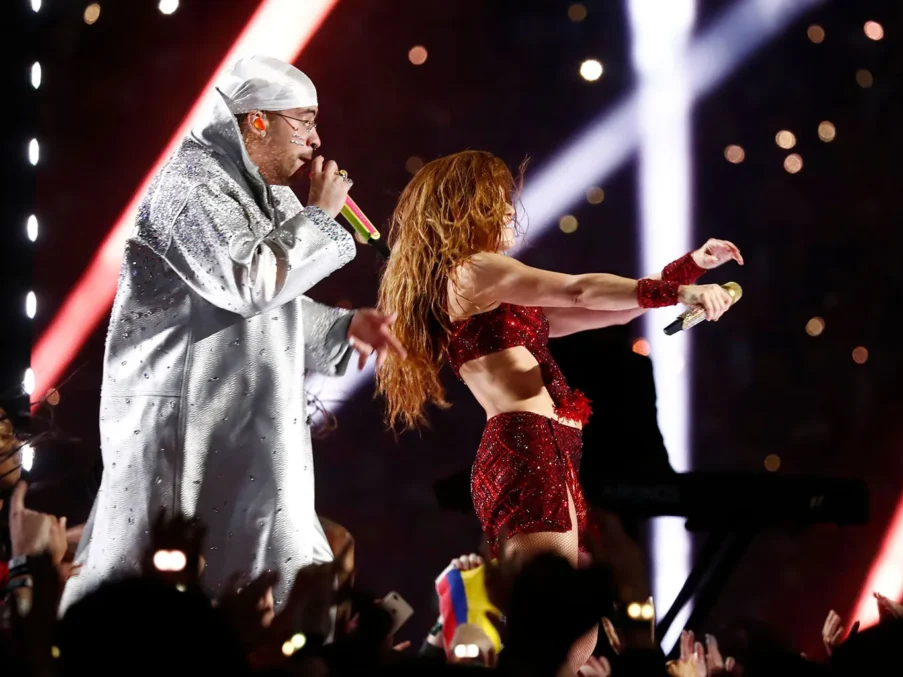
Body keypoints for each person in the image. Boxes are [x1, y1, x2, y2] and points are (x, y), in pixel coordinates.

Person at [59, 56, 405, 615]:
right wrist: (318, 218)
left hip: (246, 430)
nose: (317, 141)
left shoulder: (265, 195)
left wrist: (343, 326)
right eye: (305, 121)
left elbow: (270, 311)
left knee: (277, 583)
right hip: (188, 431)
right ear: (258, 121)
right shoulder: (190, 187)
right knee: (169, 597)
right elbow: (248, 283)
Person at [375, 150, 742, 672]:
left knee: (572, 635)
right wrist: (682, 290)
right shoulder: (472, 271)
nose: (510, 214)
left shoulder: (495, 294)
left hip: (544, 448)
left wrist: (688, 270)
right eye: (499, 202)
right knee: (559, 635)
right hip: (527, 448)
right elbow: (579, 287)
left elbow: (607, 312)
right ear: (469, 207)